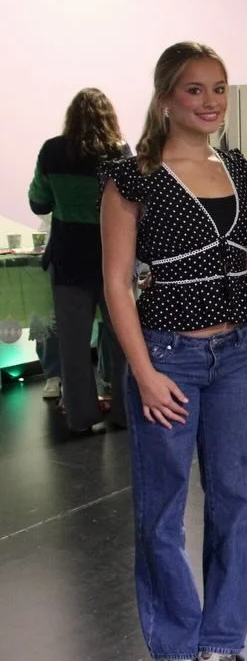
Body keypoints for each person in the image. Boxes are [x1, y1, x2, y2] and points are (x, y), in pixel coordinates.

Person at [100, 42, 247, 661]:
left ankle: (222, 632)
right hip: (167, 354)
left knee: (234, 497)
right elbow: (117, 283)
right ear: (166, 97)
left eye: (219, 88)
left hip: (236, 353)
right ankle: (175, 634)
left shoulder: (239, 170)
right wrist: (144, 372)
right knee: (163, 503)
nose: (210, 101)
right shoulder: (134, 176)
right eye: (194, 89)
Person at [28, 88, 130, 433]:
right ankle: (124, 413)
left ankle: (81, 416)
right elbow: (134, 202)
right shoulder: (119, 153)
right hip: (113, 258)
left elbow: (38, 202)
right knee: (122, 339)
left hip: (68, 259)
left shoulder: (52, 151)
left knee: (72, 343)